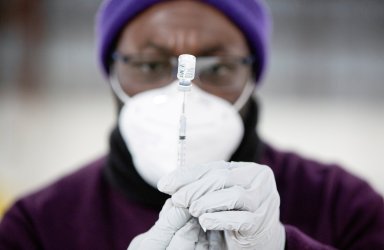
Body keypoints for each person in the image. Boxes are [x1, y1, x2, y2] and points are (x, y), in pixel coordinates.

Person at [1, 0, 383, 249]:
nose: (185, 92)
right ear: (112, 71)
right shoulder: (38, 225)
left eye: (218, 68)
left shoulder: (341, 204)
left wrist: (284, 245)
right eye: (149, 65)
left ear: (252, 77)